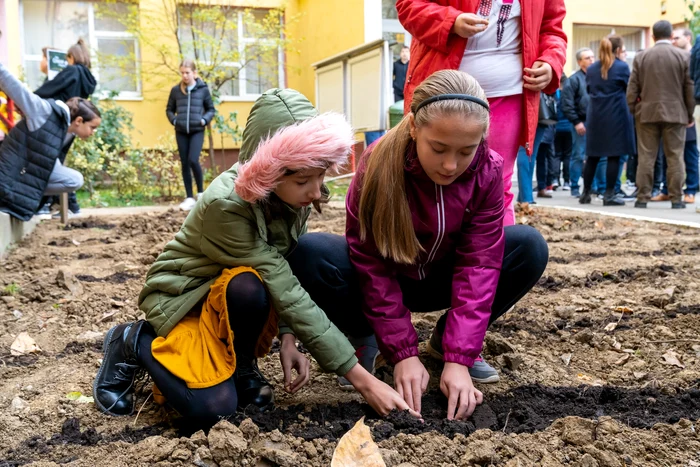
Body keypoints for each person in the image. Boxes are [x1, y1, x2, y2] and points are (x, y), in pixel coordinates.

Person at [93, 88, 421, 428]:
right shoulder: (226, 206)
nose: (316, 191)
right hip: (186, 299)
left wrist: (289, 337)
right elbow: (286, 287)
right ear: (269, 170)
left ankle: (241, 361)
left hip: (229, 294)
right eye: (304, 180)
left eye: (321, 176)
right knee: (213, 410)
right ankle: (132, 341)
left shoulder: (290, 198)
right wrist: (364, 382)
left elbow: (286, 267)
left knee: (250, 284)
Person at [346, 70, 549, 420]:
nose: (451, 165)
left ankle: (443, 344)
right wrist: (403, 353)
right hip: (393, 279)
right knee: (317, 255)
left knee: (528, 245)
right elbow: (370, 263)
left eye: (465, 151)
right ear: (414, 129)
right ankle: (368, 337)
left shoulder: (487, 171)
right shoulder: (377, 164)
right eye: (438, 149)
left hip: (443, 280)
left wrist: (459, 358)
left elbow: (479, 266)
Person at [396, 0, 567, 226]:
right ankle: (431, 252)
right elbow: (408, 6)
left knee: (496, 183)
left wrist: (550, 61)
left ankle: (493, 255)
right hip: (444, 93)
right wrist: (450, 21)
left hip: (510, 93)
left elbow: (552, 28)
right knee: (433, 179)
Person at [0, 62, 100, 221]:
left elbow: (49, 164)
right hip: (8, 174)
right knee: (72, 179)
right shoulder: (44, 111)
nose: (93, 133)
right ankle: (13, 194)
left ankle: (25, 198)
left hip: (24, 172)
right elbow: (10, 82)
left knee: (73, 179)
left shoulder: (66, 131)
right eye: (92, 127)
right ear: (79, 120)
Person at [628, 21, 695, 209]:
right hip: (676, 113)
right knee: (675, 156)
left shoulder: (642, 57)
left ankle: (642, 197)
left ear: (653, 36)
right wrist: (689, 113)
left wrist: (634, 109)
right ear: (670, 35)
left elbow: (632, 87)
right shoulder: (682, 56)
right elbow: (688, 88)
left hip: (647, 113)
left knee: (646, 156)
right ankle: (676, 198)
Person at [35, 39, 97, 217]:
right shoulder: (87, 78)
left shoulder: (72, 71)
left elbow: (51, 88)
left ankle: (56, 205)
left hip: (60, 121)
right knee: (57, 162)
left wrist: (31, 98)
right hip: (74, 125)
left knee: (49, 161)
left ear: (71, 57)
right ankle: (66, 206)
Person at [579, 35, 636, 207]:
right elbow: (629, 89)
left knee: (593, 156)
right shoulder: (622, 67)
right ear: (618, 50)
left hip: (596, 115)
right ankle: (609, 194)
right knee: (614, 155)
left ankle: (585, 193)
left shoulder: (592, 69)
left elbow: (589, 88)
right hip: (616, 115)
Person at [652, 28, 698, 205]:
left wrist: (690, 113)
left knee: (689, 153)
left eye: (677, 38)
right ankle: (667, 190)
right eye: (672, 38)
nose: (673, 41)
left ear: (687, 38)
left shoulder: (693, 57)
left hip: (687, 113)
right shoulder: (672, 57)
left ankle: (691, 190)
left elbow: (691, 88)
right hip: (671, 114)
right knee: (667, 153)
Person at [166, 59, 216, 211]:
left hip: (196, 130)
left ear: (194, 73)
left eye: (187, 73)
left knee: (193, 160)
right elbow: (169, 109)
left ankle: (200, 193)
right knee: (185, 163)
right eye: (182, 73)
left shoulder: (203, 90)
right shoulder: (176, 91)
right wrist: (174, 121)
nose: (184, 76)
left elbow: (211, 109)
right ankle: (189, 198)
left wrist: (203, 120)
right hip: (181, 131)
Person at [561, 47, 594, 198]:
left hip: (596, 123)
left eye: (593, 57)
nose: (592, 60)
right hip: (581, 123)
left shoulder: (597, 77)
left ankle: (593, 187)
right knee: (578, 155)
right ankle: (574, 186)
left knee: (595, 156)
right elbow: (567, 104)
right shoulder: (573, 80)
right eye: (588, 58)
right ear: (580, 62)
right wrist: (576, 122)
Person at [553, 76, 572, 191]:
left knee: (556, 155)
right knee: (567, 155)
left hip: (556, 127)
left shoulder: (554, 94)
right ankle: (566, 181)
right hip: (569, 127)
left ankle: (555, 179)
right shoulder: (568, 94)